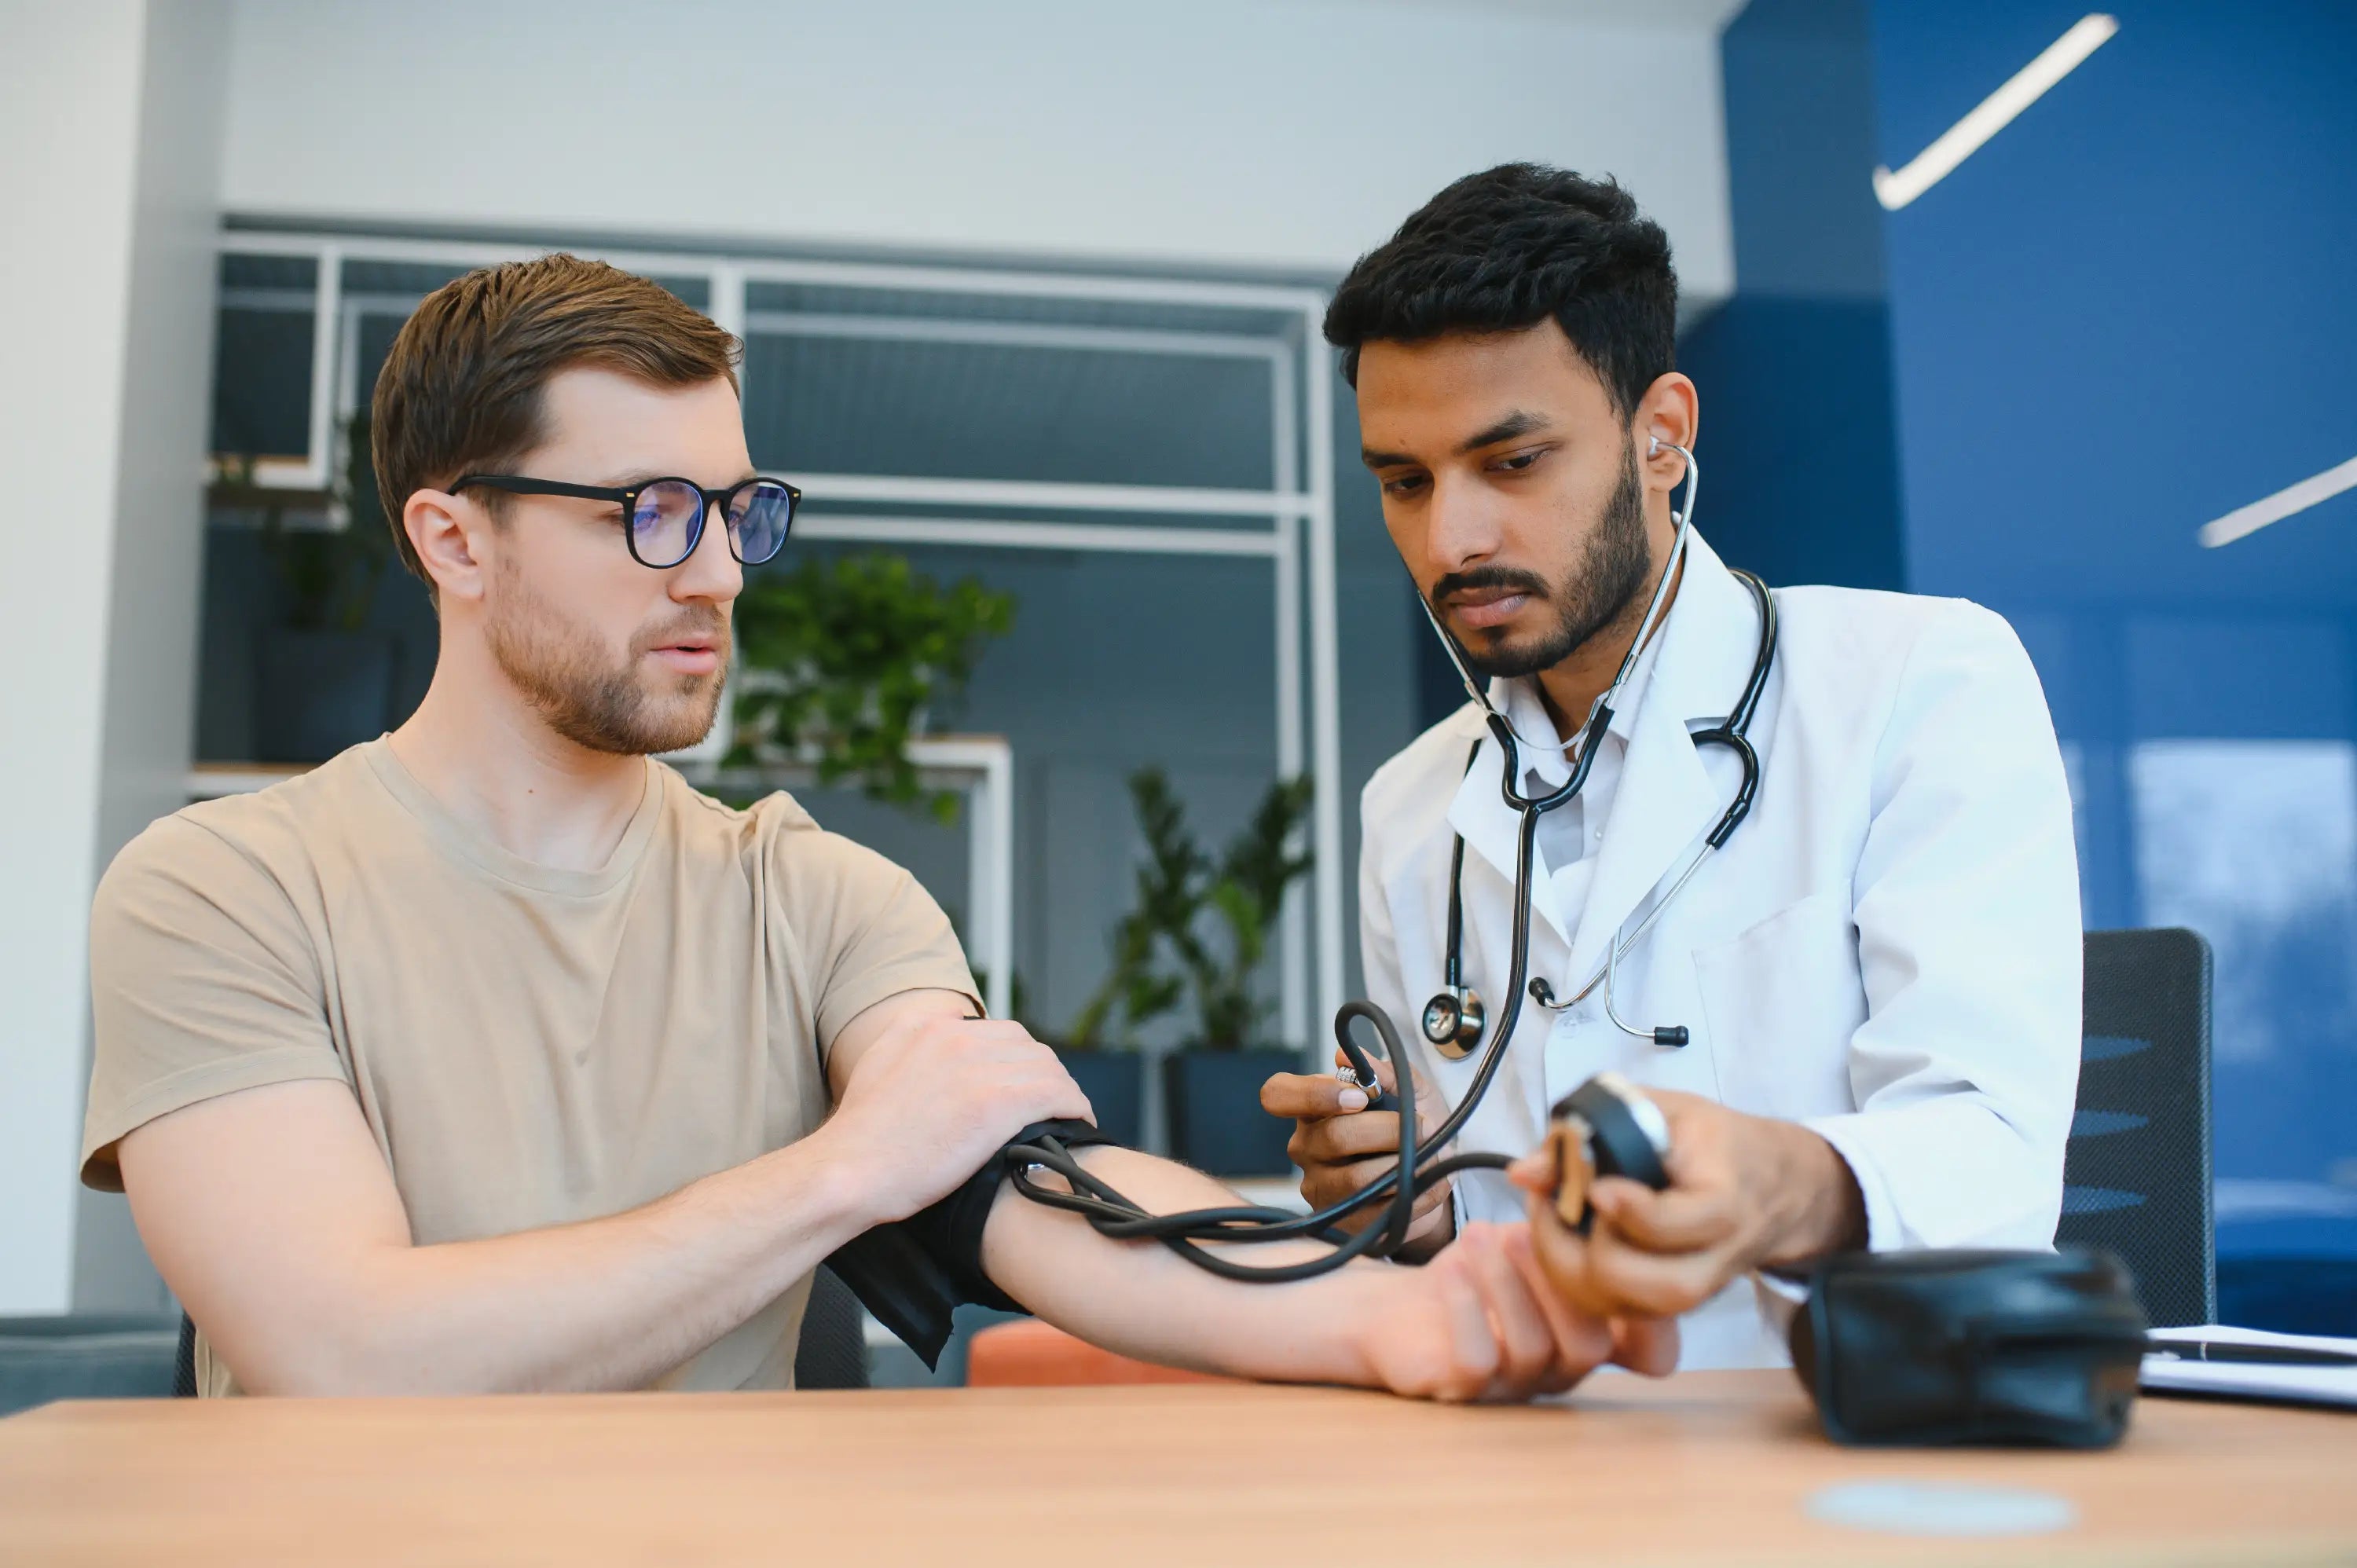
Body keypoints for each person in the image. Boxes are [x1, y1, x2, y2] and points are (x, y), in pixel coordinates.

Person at [81, 254, 1626, 1401]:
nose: (718, 576)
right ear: (453, 535)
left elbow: (1035, 1195)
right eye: (648, 513)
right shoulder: (226, 891)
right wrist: (837, 1171)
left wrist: (1408, 1313)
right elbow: (341, 1348)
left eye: (737, 510)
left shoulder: (814, 893)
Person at [1261, 165, 2082, 1370]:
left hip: (1832, 1452)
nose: (1452, 539)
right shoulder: (1412, 807)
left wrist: (1779, 1182)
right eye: (1405, 481)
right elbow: (1465, 1231)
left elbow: (1993, 1151)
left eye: (1513, 461)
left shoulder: (1921, 683)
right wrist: (1413, 1208)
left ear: (1662, 435)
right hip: (1537, 1458)